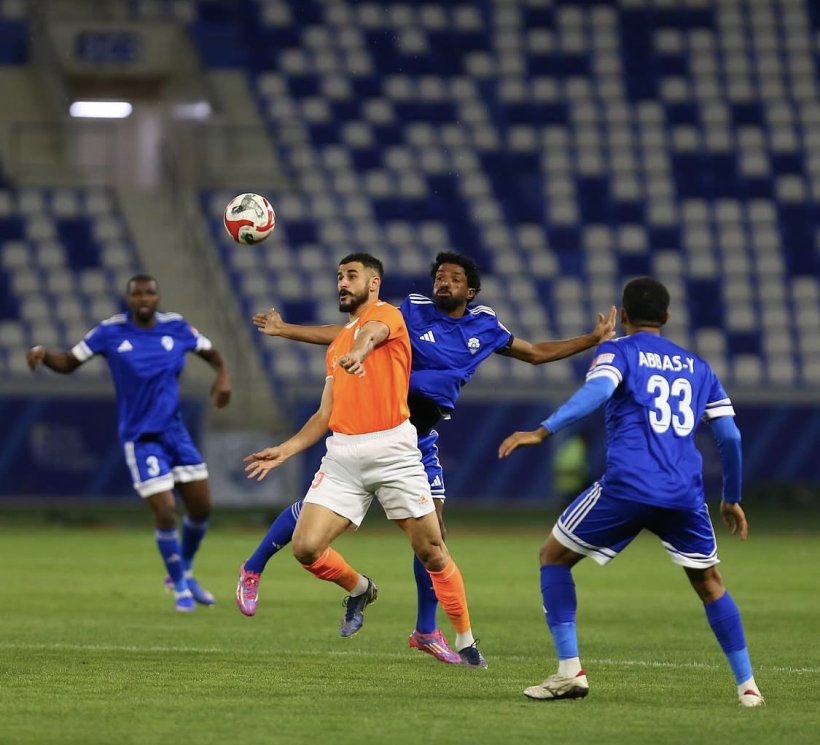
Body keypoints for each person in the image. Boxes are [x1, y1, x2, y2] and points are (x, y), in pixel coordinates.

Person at [236, 251, 617, 665]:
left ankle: (427, 630)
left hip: (415, 439)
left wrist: (590, 339)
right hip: (375, 427)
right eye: (439, 276)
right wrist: (290, 331)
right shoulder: (412, 310)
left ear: (470, 291)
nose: (443, 282)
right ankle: (264, 568)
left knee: (435, 540)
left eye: (454, 278)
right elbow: (360, 331)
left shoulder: (485, 325)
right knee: (316, 533)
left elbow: (536, 352)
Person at [498, 277, 764, 707]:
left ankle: (570, 672)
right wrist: (731, 497)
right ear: (667, 316)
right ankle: (748, 687)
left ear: (622, 315)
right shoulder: (699, 368)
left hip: (627, 486)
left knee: (553, 557)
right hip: (684, 494)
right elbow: (730, 436)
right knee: (711, 584)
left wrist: (543, 430)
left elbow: (599, 390)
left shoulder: (619, 351)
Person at [243, 252, 488, 667]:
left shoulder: (389, 315)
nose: (342, 282)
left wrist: (359, 352)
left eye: (351, 275)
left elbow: (371, 334)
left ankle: (464, 639)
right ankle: (360, 588)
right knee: (306, 547)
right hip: (343, 454)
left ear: (372, 283)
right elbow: (324, 413)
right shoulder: (338, 344)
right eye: (339, 276)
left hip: (393, 450)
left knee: (433, 549)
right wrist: (286, 449)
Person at [26, 274, 231, 613]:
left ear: (157, 297)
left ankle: (184, 571)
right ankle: (180, 587)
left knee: (201, 508)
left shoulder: (177, 327)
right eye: (137, 294)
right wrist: (44, 354)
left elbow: (212, 354)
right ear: (129, 298)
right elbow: (69, 362)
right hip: (141, 438)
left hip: (176, 433)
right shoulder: (109, 332)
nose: (143, 298)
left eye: (149, 293)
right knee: (165, 511)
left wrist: (223, 376)